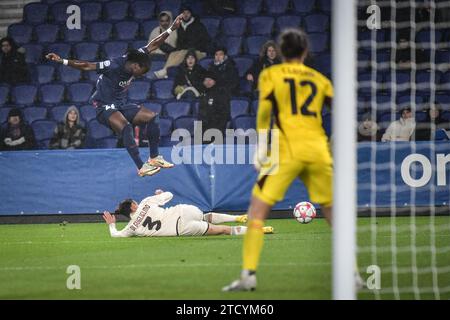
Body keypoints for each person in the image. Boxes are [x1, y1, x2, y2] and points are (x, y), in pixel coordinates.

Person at [222, 29, 363, 292]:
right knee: (334, 215)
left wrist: (261, 148)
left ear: (282, 52)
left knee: (256, 212)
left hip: (286, 152)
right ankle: (353, 274)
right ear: (306, 52)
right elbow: (343, 113)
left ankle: (248, 274)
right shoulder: (320, 80)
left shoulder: (271, 74)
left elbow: (264, 113)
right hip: (318, 150)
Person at [45, 14, 184, 177]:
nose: (141, 75)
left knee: (153, 117)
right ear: (134, 66)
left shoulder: (137, 56)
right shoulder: (113, 65)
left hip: (120, 103)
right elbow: (86, 65)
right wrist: (62, 60)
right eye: (141, 71)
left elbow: (153, 44)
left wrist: (171, 28)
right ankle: (141, 166)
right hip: (103, 105)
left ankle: (154, 158)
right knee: (126, 127)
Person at [102, 189, 274, 237]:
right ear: (133, 206)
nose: (137, 203)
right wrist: (159, 194)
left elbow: (115, 235)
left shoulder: (132, 227)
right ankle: (238, 217)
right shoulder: (147, 202)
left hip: (182, 229)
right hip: (183, 211)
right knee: (206, 215)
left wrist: (112, 225)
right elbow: (169, 195)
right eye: (134, 203)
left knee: (222, 230)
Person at [153, 6, 210, 79]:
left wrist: (192, 48)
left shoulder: (199, 26)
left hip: (198, 52)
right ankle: (167, 71)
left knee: (183, 52)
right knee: (174, 53)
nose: (186, 15)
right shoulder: (178, 26)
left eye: (188, 13)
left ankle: (164, 71)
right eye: (184, 13)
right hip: (183, 52)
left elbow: (206, 41)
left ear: (191, 14)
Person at [198, 71, 231, 139]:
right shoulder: (203, 94)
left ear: (215, 81)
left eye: (210, 80)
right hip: (204, 128)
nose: (207, 82)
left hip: (217, 128)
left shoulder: (221, 94)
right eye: (205, 80)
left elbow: (224, 113)